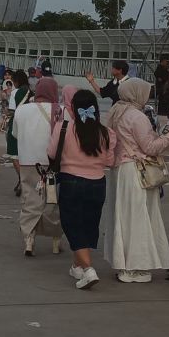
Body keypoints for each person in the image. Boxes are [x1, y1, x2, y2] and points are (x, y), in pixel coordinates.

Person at [103, 77, 169, 283]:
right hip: (137, 172)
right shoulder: (137, 117)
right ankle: (138, 266)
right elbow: (150, 148)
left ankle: (124, 265)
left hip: (120, 172)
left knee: (122, 218)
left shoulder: (115, 112)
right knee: (139, 219)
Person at [54, 88, 117, 290]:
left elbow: (50, 151)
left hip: (70, 180)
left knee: (72, 224)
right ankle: (77, 266)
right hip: (97, 183)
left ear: (73, 108)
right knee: (89, 225)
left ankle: (89, 270)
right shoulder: (106, 133)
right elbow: (110, 160)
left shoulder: (63, 127)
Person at [11, 78, 65, 256]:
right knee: (53, 201)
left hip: (28, 161)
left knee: (30, 199)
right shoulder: (60, 110)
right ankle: (56, 241)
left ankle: (29, 239)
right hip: (53, 163)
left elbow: (16, 134)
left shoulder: (22, 109)